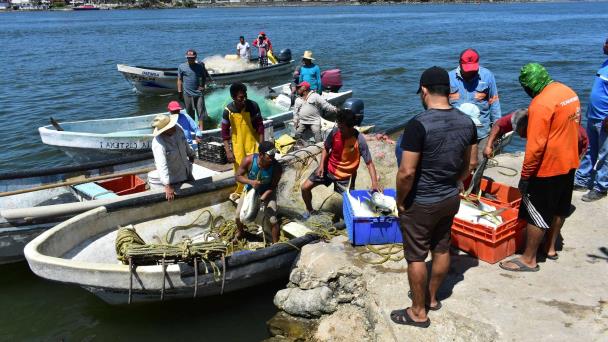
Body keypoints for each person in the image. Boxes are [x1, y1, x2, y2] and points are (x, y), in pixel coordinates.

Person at [391, 66, 476, 328]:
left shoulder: (418, 124)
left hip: (422, 201)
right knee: (441, 248)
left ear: (424, 91)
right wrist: (455, 182)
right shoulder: (467, 121)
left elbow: (406, 172)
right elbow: (471, 164)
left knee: (416, 256)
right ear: (449, 91)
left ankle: (418, 312)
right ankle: (432, 298)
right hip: (450, 197)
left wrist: (401, 201)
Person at [499, 63, 581, 271]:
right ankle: (551, 248)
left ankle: (528, 259)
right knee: (559, 208)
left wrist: (526, 176)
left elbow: (535, 147)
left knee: (536, 213)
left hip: (548, 167)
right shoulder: (568, 92)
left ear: (530, 85)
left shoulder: (541, 104)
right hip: (569, 162)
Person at [300, 109, 380, 217]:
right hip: (328, 169)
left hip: (346, 177)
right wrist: (321, 165)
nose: (339, 129)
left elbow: (369, 163)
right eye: (338, 125)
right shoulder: (334, 132)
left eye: (342, 127)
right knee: (304, 188)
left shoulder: (359, 140)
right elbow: (326, 148)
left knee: (351, 205)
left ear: (351, 127)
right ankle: (310, 211)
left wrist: (374, 183)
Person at [448, 48, 501, 169]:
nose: (470, 72)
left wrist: (497, 129)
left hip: (482, 134)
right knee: (458, 168)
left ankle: (477, 187)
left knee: (480, 167)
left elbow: (494, 103)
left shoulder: (487, 76)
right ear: (460, 63)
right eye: (467, 69)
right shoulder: (448, 78)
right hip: (457, 136)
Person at [574, 38, 608, 202]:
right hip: (593, 116)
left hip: (605, 119)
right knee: (589, 150)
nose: (604, 45)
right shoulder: (605, 64)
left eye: (607, 43)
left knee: (604, 155)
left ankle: (601, 187)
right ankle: (583, 179)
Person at [483, 108, 588, 160]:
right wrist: (488, 146)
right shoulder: (520, 116)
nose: (520, 136)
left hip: (574, 143)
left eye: (522, 132)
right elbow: (498, 125)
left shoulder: (547, 129)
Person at [221, 82, 265, 201]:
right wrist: (228, 151)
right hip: (238, 144)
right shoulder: (228, 111)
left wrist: (262, 147)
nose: (244, 99)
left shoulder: (253, 106)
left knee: (257, 166)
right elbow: (224, 133)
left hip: (253, 140)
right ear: (233, 98)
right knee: (239, 168)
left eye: (245, 95)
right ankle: (241, 191)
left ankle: (258, 190)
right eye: (241, 97)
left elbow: (260, 127)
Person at [234, 141, 283, 243]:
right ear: (260, 155)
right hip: (250, 190)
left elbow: (273, 186)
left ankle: (275, 243)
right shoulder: (248, 160)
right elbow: (238, 176)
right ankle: (240, 231)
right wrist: (250, 182)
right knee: (238, 215)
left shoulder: (277, 167)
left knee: (273, 219)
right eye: (270, 156)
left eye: (274, 155)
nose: (273, 158)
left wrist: (263, 197)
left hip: (268, 191)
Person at [151, 114, 196, 201]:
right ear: (164, 130)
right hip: (173, 179)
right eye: (170, 127)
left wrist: (191, 154)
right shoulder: (158, 143)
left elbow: (185, 143)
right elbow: (161, 165)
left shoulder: (178, 129)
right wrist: (167, 185)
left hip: (186, 170)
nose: (173, 127)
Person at [177, 49, 210, 131]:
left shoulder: (200, 66)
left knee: (200, 111)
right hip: (187, 94)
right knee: (190, 112)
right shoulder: (181, 67)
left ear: (195, 57)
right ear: (186, 57)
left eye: (192, 58)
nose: (190, 59)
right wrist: (179, 92)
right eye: (189, 57)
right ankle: (192, 129)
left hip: (198, 93)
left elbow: (204, 76)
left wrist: (202, 86)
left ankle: (201, 129)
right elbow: (179, 80)